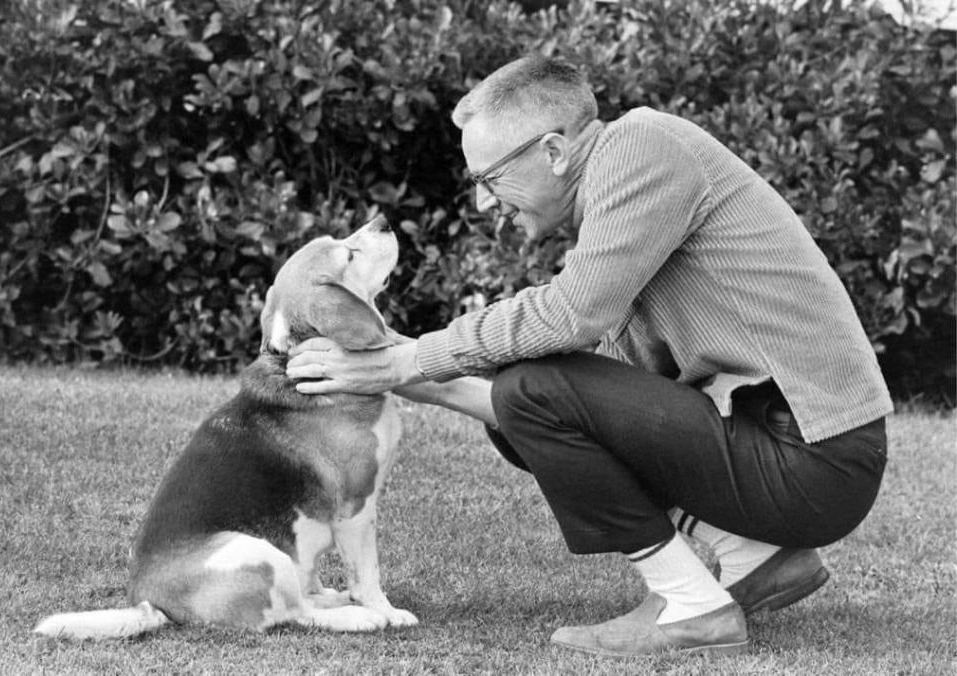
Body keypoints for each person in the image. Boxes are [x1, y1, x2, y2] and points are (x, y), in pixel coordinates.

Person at [285, 55, 892, 658]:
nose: (485, 204)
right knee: (518, 405)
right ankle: (755, 556)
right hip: (778, 452)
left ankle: (691, 606)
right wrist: (414, 374)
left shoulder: (642, 149)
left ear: (553, 151)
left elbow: (569, 315)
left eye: (487, 179)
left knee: (530, 387)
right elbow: (589, 400)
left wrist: (413, 359)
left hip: (815, 461)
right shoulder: (622, 211)